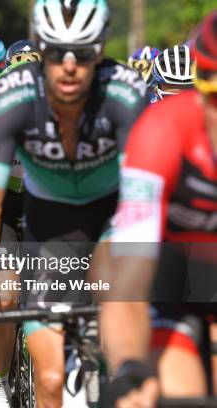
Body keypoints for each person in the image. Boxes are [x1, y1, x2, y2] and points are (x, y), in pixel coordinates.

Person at [0, 1, 148, 406]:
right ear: (38, 48)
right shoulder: (11, 97)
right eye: (55, 52)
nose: (69, 66)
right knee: (49, 380)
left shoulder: (123, 91)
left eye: (82, 54)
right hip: (50, 225)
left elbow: (142, 193)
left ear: (100, 51)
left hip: (115, 217)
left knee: (129, 361)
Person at [101, 11, 217, 407]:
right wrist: (131, 368)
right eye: (209, 93)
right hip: (170, 277)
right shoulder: (159, 129)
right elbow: (130, 268)